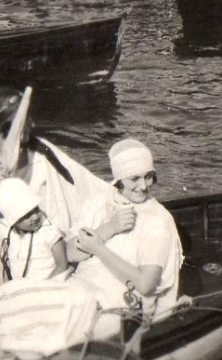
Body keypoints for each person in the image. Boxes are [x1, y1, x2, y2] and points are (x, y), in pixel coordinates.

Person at [69, 139, 183, 339]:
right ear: (119, 179)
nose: (143, 186)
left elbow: (146, 285)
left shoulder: (157, 219)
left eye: (149, 177)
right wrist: (110, 228)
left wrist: (98, 249)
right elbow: (70, 254)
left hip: (119, 304)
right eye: (134, 179)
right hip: (82, 288)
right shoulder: (98, 202)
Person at [0, 87, 113, 239]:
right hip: (2, 242)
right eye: (26, 121)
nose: (33, 124)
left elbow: (83, 184)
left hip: (48, 237)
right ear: (2, 129)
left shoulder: (40, 152)